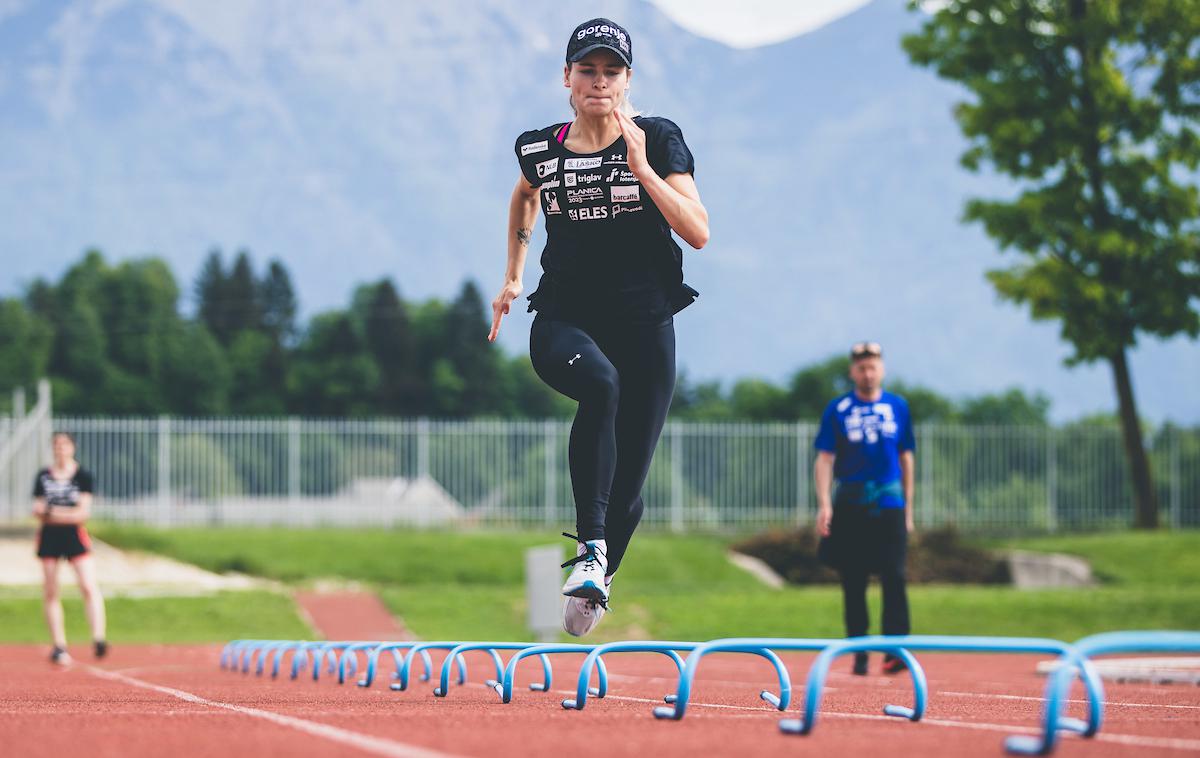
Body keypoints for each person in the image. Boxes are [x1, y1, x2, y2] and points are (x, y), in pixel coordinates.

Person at [488, 18, 708, 636]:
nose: (599, 82)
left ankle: (599, 572)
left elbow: (698, 230)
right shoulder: (540, 146)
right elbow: (525, 194)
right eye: (587, 70)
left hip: (645, 326)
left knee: (630, 487)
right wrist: (512, 274)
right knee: (601, 386)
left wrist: (643, 171)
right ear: (567, 78)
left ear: (628, 80)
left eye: (612, 71)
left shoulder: (659, 139)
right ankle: (589, 551)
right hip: (564, 320)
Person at [814, 342, 915, 675]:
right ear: (852, 371)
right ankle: (858, 649)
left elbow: (906, 458)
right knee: (853, 579)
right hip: (851, 503)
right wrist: (825, 503)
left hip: (889, 502)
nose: (867, 373)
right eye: (861, 368)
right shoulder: (838, 409)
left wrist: (909, 509)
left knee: (895, 575)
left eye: (872, 367)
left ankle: (895, 650)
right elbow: (825, 459)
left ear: (882, 369)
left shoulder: (898, 407)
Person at [32, 431, 107, 665]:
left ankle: (98, 637)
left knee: (87, 584)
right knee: (51, 589)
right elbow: (37, 510)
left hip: (75, 536)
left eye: (64, 445)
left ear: (72, 447)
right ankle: (59, 644)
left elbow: (81, 513)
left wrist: (53, 513)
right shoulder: (44, 475)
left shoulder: (82, 475)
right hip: (49, 537)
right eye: (56, 445)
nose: (60, 449)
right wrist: (63, 513)